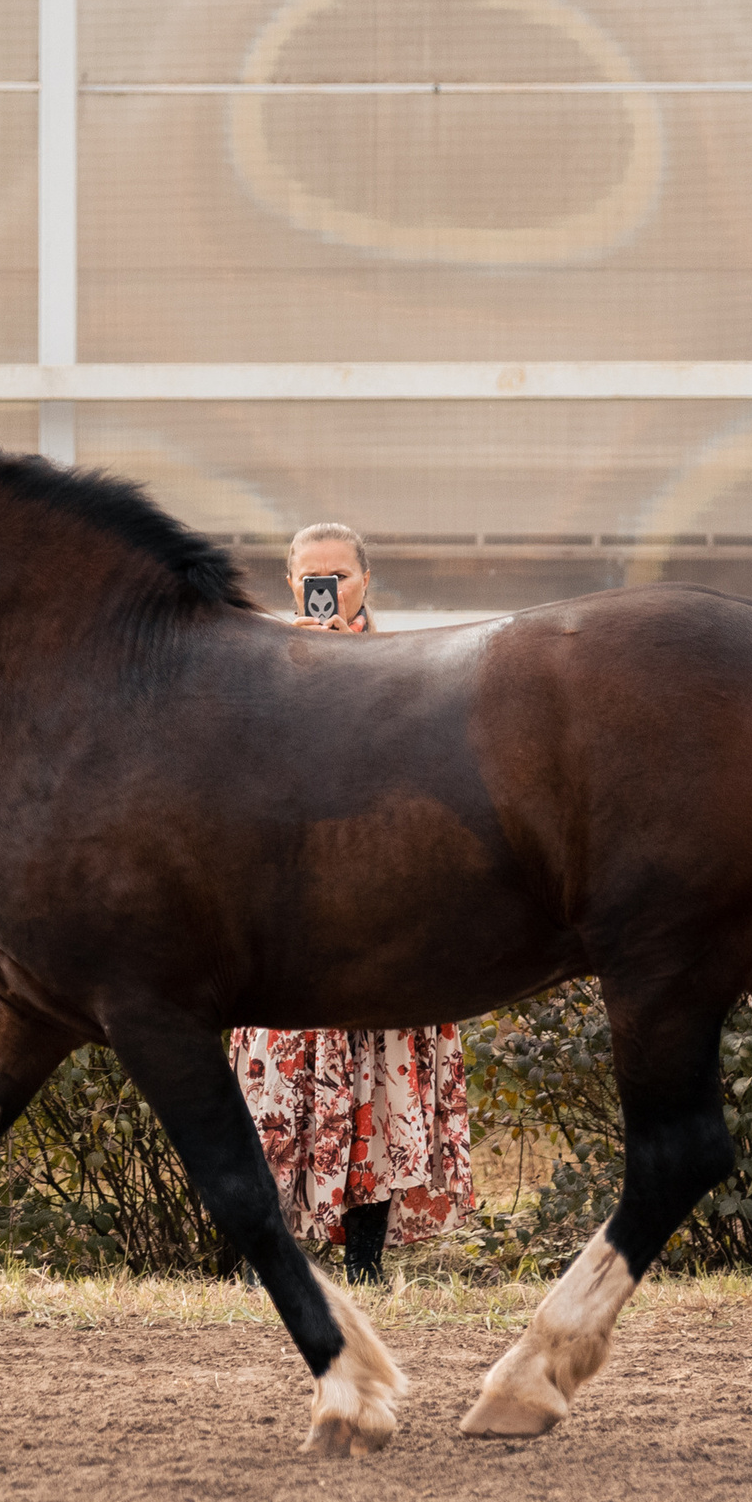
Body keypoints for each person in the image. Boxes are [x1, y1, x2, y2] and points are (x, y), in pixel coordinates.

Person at [231, 523, 477, 1283]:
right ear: (289, 583)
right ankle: (266, 1259)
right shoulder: (261, 669)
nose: (327, 587)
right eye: (313, 575)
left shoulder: (405, 667)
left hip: (382, 903)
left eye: (340, 574)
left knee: (380, 1073)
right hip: (290, 906)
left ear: (367, 580)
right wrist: (296, 667)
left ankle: (365, 1264)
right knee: (274, 1081)